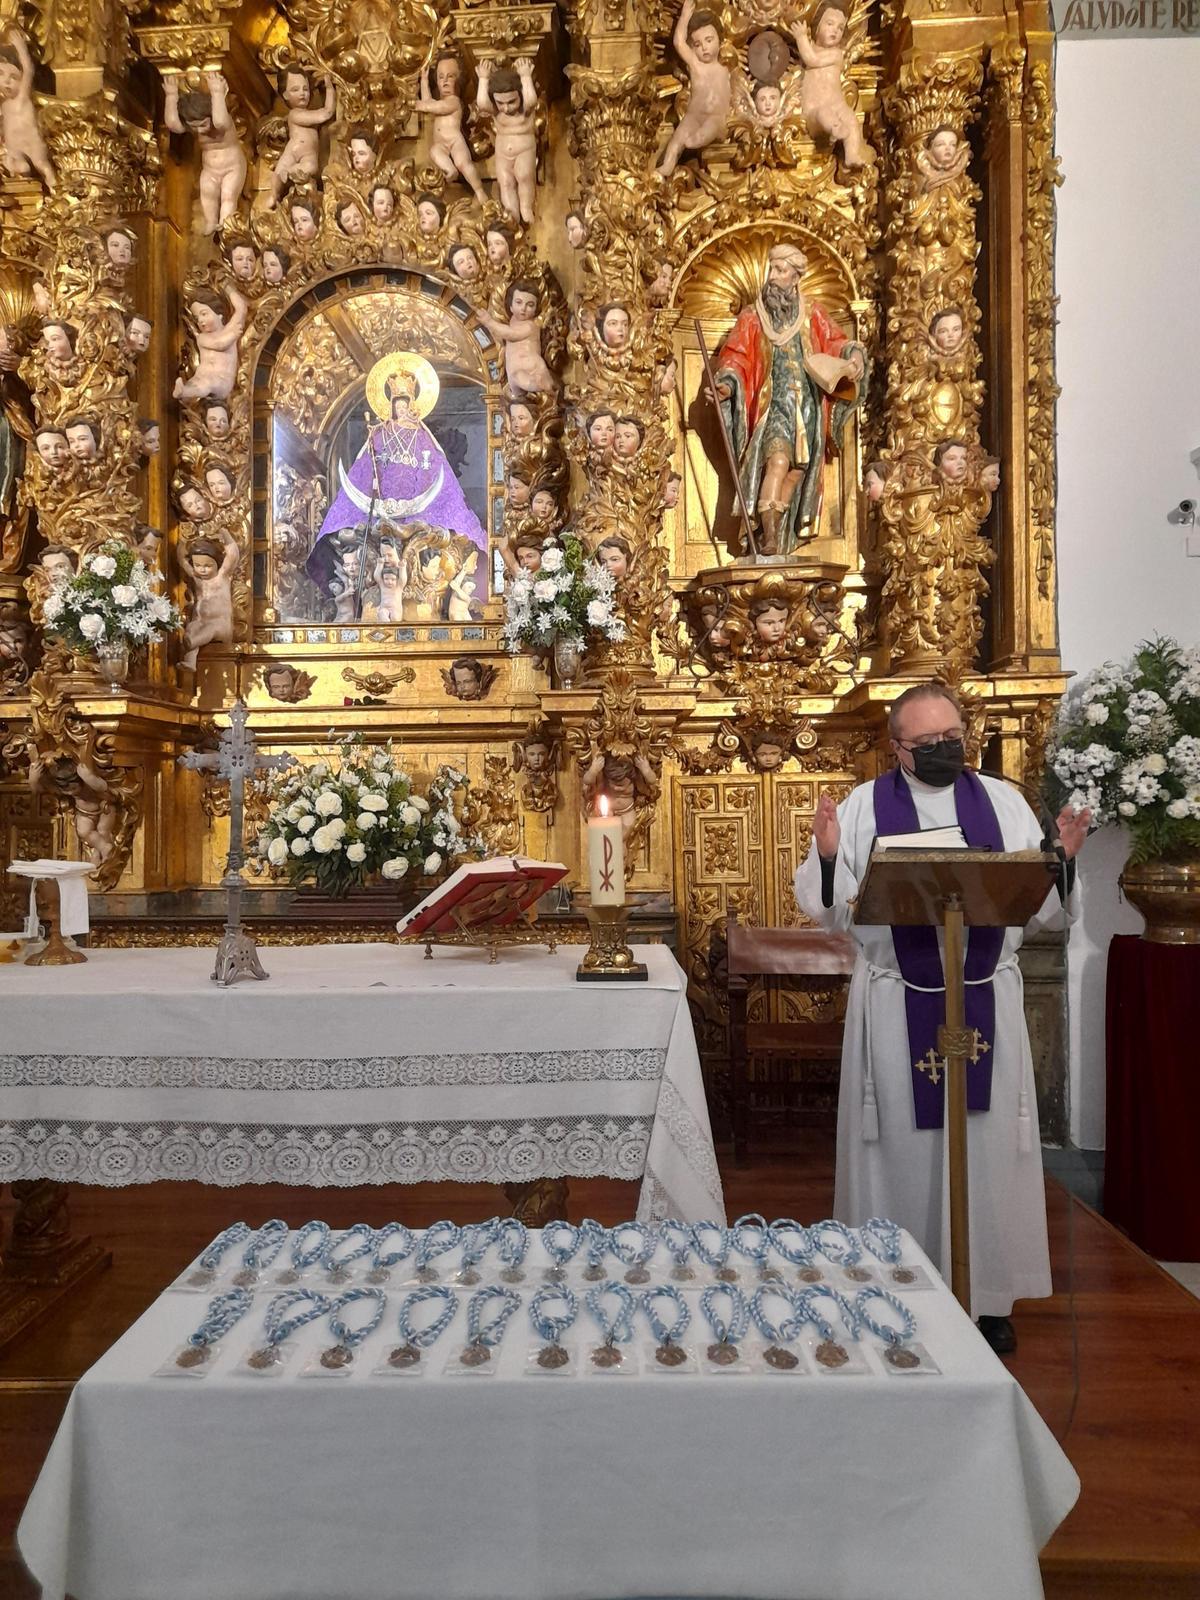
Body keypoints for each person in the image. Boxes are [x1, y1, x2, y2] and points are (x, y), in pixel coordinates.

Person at [793, 681, 1091, 1352]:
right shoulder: (865, 806)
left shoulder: (1003, 802)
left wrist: (1060, 863)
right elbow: (832, 906)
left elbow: (1040, 908)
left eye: (950, 737)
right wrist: (833, 853)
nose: (940, 750)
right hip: (900, 1001)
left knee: (986, 1149)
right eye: (924, 742)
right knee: (902, 1145)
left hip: (985, 991)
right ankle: (895, 1284)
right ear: (895, 746)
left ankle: (985, 1297)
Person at [713, 241, 865, 555]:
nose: (773, 276)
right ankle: (767, 537)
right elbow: (735, 357)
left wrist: (853, 355)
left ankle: (777, 538)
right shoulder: (754, 317)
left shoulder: (812, 313)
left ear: (795, 277)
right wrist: (727, 384)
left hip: (807, 407)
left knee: (796, 472)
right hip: (774, 406)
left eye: (781, 270)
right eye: (772, 269)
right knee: (777, 462)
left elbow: (836, 342)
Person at [306, 368, 487, 593]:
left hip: (420, 500)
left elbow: (431, 467)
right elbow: (366, 467)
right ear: (391, 406)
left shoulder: (422, 435)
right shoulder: (379, 434)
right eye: (397, 406)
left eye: (404, 405)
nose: (401, 410)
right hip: (380, 499)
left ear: (411, 405)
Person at [656, 0, 731, 175]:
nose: (704, 47)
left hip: (716, 117)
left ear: (720, 40)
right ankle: (668, 165)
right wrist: (684, 17)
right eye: (697, 44)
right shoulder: (696, 66)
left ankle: (697, 140)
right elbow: (679, 42)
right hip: (694, 115)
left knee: (709, 129)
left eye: (709, 40)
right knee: (678, 137)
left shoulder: (725, 69)